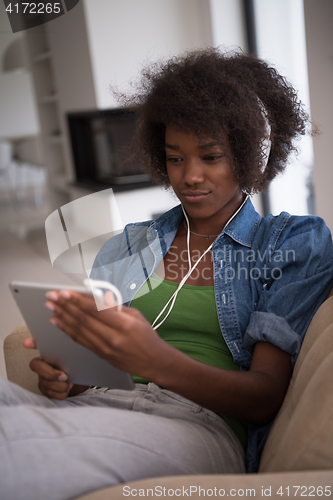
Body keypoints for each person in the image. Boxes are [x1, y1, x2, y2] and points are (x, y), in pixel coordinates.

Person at [1, 48, 333, 500]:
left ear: (248, 154)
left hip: (197, 427)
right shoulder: (132, 242)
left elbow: (264, 397)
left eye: (211, 156)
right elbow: (93, 368)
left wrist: (155, 360)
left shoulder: (289, 241)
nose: (190, 176)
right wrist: (67, 375)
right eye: (175, 158)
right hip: (106, 404)